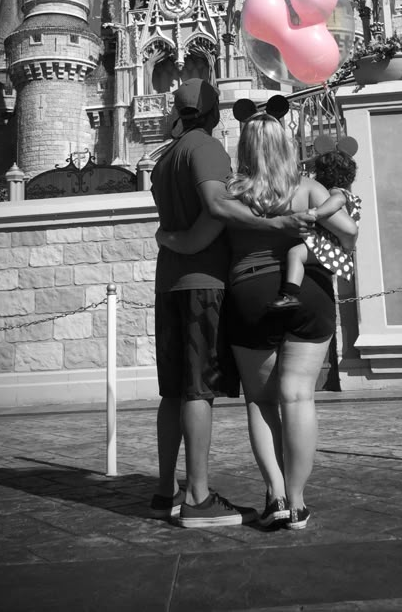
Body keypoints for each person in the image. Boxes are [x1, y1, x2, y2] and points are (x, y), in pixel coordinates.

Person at [161, 110, 358, 532]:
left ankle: (276, 496)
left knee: (262, 401)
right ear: (287, 145)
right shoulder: (307, 188)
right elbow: (350, 233)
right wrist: (315, 217)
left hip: (250, 295)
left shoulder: (230, 195)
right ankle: (300, 503)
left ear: (243, 149)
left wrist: (165, 237)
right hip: (309, 294)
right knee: (298, 398)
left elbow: (195, 241)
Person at [150, 79, 315, 529]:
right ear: (212, 112)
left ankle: (166, 490)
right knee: (199, 390)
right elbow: (217, 206)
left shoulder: (164, 157)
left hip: (170, 283)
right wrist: (277, 225)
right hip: (204, 284)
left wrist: (172, 240)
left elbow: (185, 220)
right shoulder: (205, 148)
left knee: (174, 390)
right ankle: (199, 498)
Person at [271, 147, 361, 310]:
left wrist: (315, 213)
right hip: (335, 245)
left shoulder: (334, 192)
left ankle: (289, 294)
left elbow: (338, 201)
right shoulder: (343, 191)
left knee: (295, 254)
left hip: (330, 244)